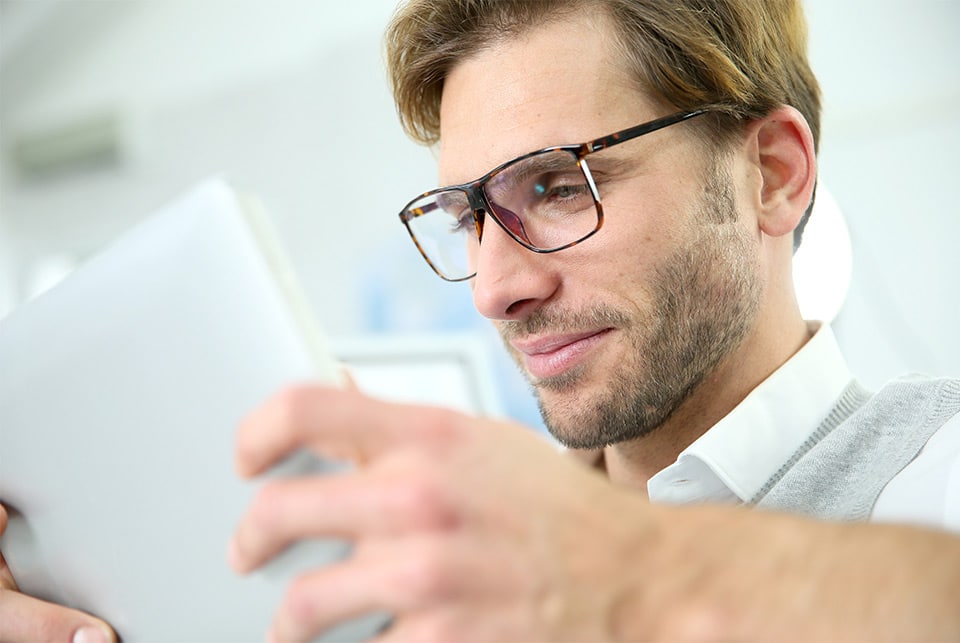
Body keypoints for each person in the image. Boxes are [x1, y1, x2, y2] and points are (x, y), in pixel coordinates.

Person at [2, 0, 959, 641]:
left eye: (553, 185)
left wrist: (617, 568)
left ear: (772, 175)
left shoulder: (933, 464)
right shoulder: (453, 561)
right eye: (467, 217)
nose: (493, 289)